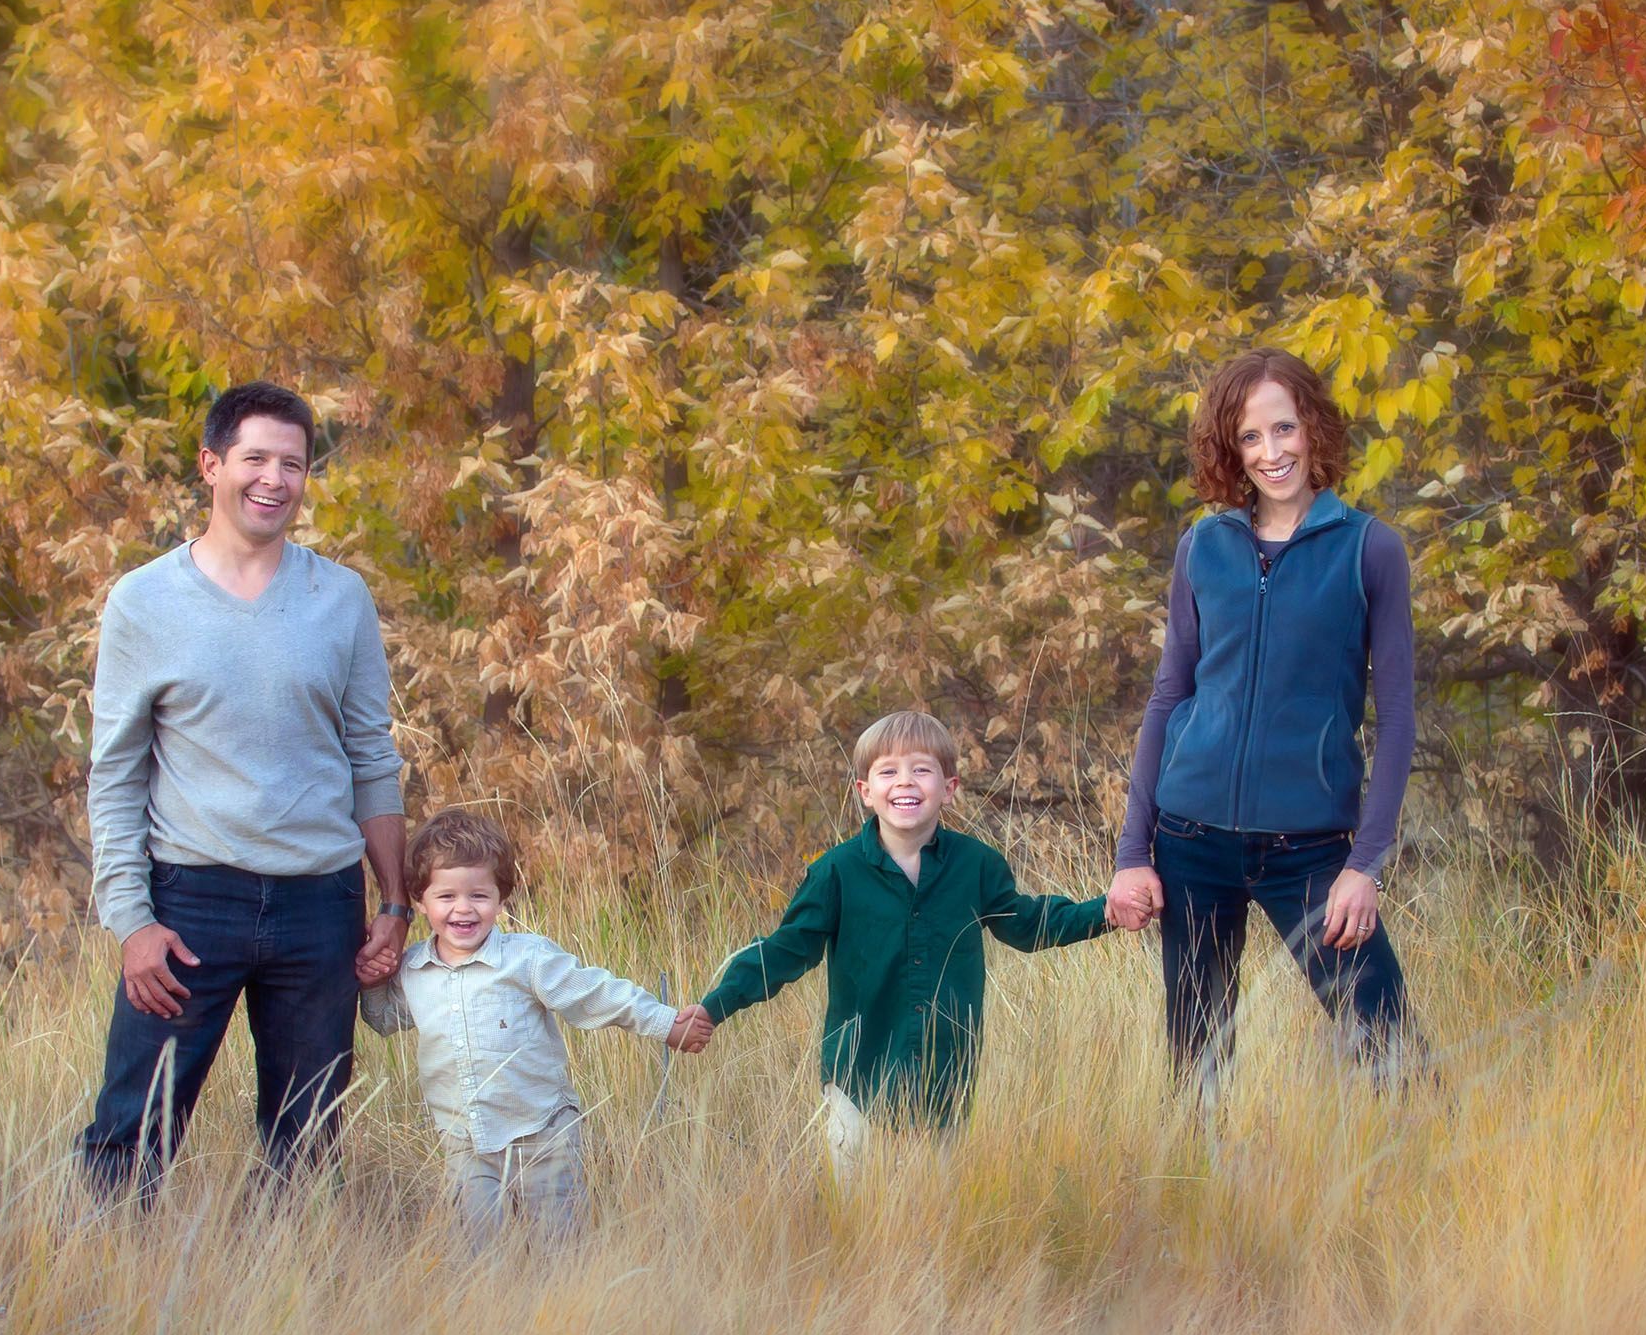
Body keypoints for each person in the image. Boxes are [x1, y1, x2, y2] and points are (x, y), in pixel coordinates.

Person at [75, 380, 412, 1203]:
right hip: (191, 904)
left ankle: (285, 1312)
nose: (273, 478)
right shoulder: (145, 602)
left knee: (308, 1142)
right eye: (255, 457)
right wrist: (133, 922)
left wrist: (396, 904)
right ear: (211, 465)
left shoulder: (341, 599)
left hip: (320, 906)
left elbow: (372, 753)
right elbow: (116, 773)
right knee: (132, 1128)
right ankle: (101, 1296)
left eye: (291, 464)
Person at [1103, 349, 1418, 1094]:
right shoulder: (1203, 547)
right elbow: (1169, 695)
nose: (1272, 453)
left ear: (1313, 427)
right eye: (1250, 437)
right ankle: (1198, 1204)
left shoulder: (1369, 549)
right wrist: (1131, 852)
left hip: (1309, 851)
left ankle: (1425, 1197)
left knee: (1391, 1048)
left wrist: (1363, 865)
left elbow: (1399, 716)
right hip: (1191, 840)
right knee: (1198, 1069)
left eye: (1285, 428)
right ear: (1229, 448)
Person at [698, 711, 1113, 1181]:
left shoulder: (977, 866)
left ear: (949, 787)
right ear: (865, 791)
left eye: (921, 769)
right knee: (859, 1215)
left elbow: (1029, 924)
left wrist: (1107, 912)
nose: (905, 781)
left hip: (943, 1078)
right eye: (888, 771)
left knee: (932, 1212)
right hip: (856, 1076)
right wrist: (714, 1008)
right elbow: (786, 951)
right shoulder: (836, 873)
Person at [361, 809, 713, 1243]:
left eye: (479, 895)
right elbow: (382, 1020)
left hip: (543, 1134)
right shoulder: (414, 970)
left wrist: (664, 1023)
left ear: (502, 898)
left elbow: (593, 993)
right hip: (466, 1142)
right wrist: (372, 980)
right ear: (419, 899)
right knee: (475, 1255)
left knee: (558, 1252)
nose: (463, 908)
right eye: (446, 896)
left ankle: (563, 1307)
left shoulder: (526, 959)